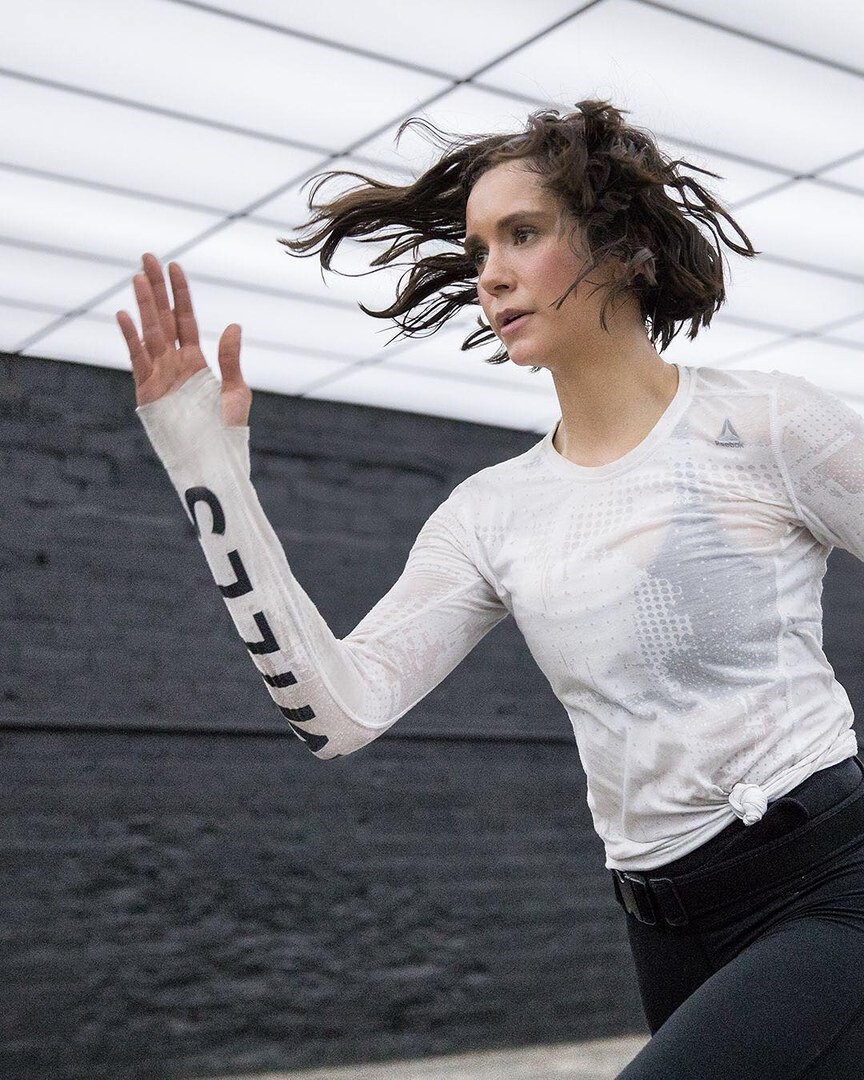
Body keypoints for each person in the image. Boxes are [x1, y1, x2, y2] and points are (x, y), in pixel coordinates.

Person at [117, 99, 864, 1078]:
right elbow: (338, 713)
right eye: (478, 250)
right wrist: (211, 475)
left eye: (522, 233)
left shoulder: (767, 426)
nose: (491, 275)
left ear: (621, 243)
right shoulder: (490, 513)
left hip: (823, 889)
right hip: (663, 925)